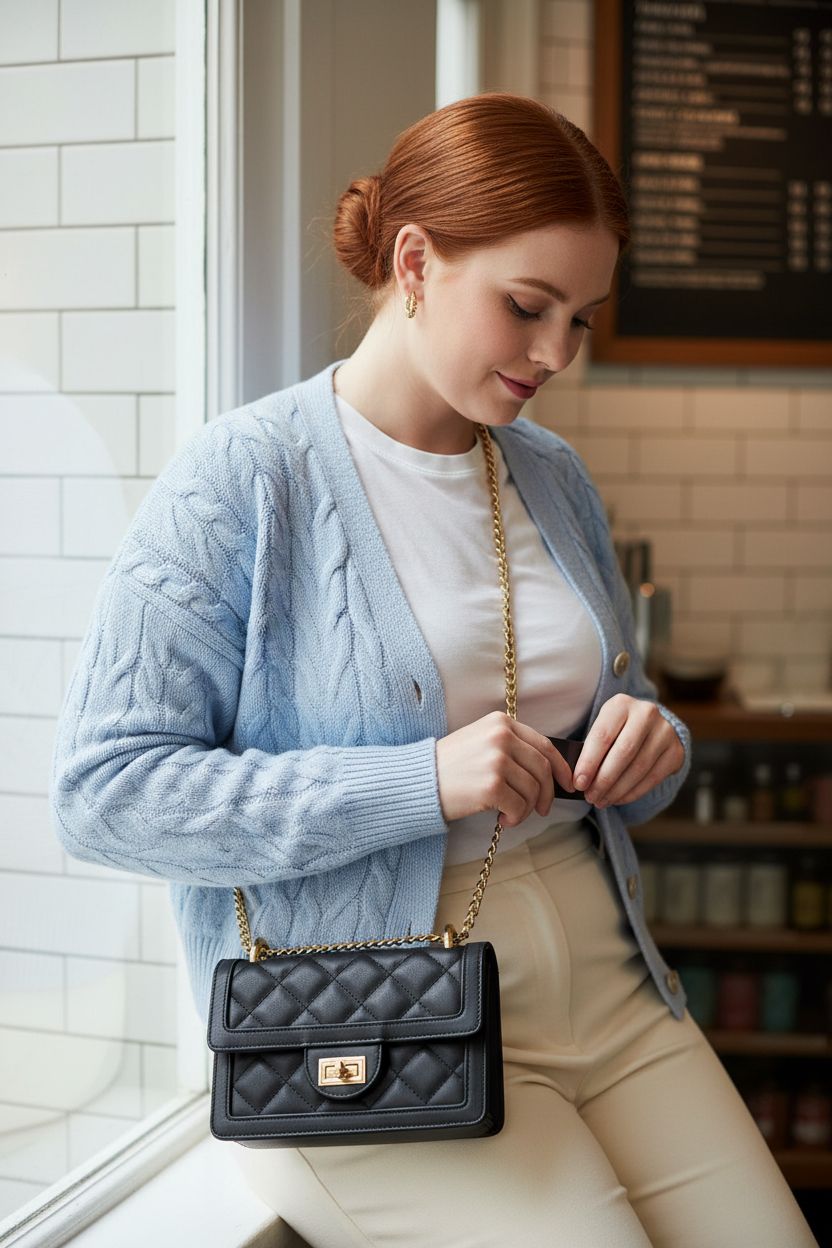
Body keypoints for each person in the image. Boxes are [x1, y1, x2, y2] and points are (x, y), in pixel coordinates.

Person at [49, 92, 819, 1248]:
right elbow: (104, 797)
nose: (555, 354)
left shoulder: (549, 474)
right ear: (415, 260)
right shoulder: (243, 480)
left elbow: (618, 731)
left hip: (611, 991)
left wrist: (650, 743)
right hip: (369, 1031)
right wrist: (417, 782)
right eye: (526, 306)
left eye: (582, 319)